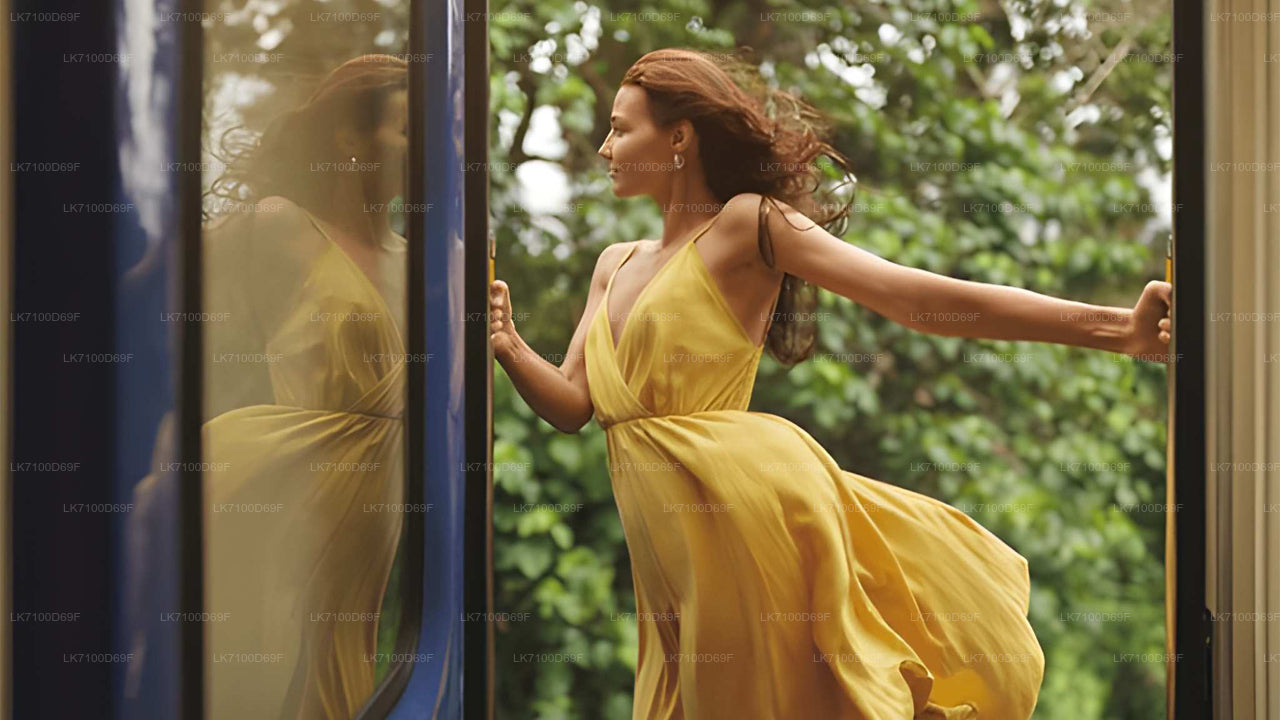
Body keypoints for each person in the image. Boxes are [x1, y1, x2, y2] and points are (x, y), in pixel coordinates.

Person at [488, 47, 1172, 718]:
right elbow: (576, 405)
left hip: (744, 523)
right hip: (667, 570)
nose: (605, 147)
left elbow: (915, 298)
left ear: (678, 138)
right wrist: (508, 343)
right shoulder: (615, 263)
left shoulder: (746, 224)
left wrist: (1118, 330)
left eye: (619, 127)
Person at [200, 54, 409, 719]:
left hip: (369, 529)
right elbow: (153, 279)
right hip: (274, 497)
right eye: (409, 131)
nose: (431, 150)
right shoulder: (283, 224)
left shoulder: (424, 261)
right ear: (351, 139)